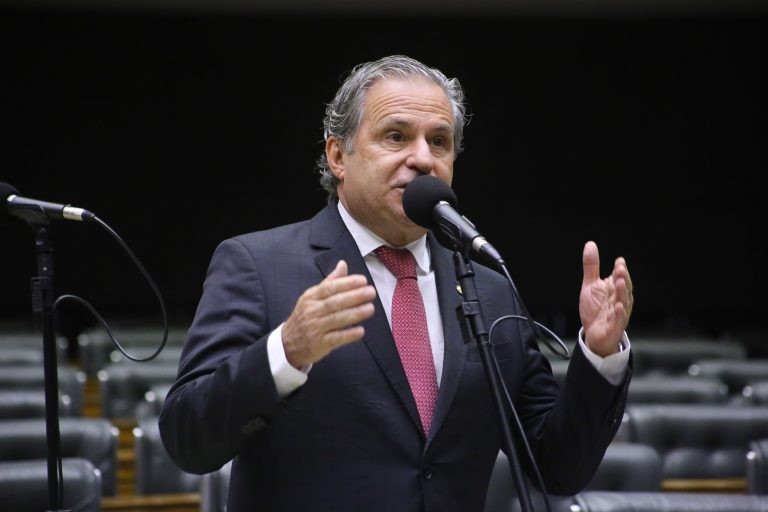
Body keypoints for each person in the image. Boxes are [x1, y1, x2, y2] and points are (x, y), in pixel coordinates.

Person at [159, 54, 634, 511]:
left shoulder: (489, 291)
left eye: (439, 141)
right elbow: (187, 439)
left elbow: (556, 467)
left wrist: (600, 354)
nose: (423, 158)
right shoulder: (259, 266)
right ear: (337, 155)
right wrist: (287, 351)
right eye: (396, 136)